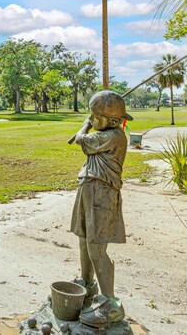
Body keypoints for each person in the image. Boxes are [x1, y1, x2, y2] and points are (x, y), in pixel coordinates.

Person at [70, 90, 132, 328]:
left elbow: (82, 142)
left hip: (102, 195)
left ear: (112, 120)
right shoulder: (106, 132)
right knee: (84, 239)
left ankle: (110, 304)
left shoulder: (115, 136)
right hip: (88, 190)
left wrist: (84, 127)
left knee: (96, 248)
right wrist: (88, 123)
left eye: (95, 116)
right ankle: (87, 285)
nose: (92, 119)